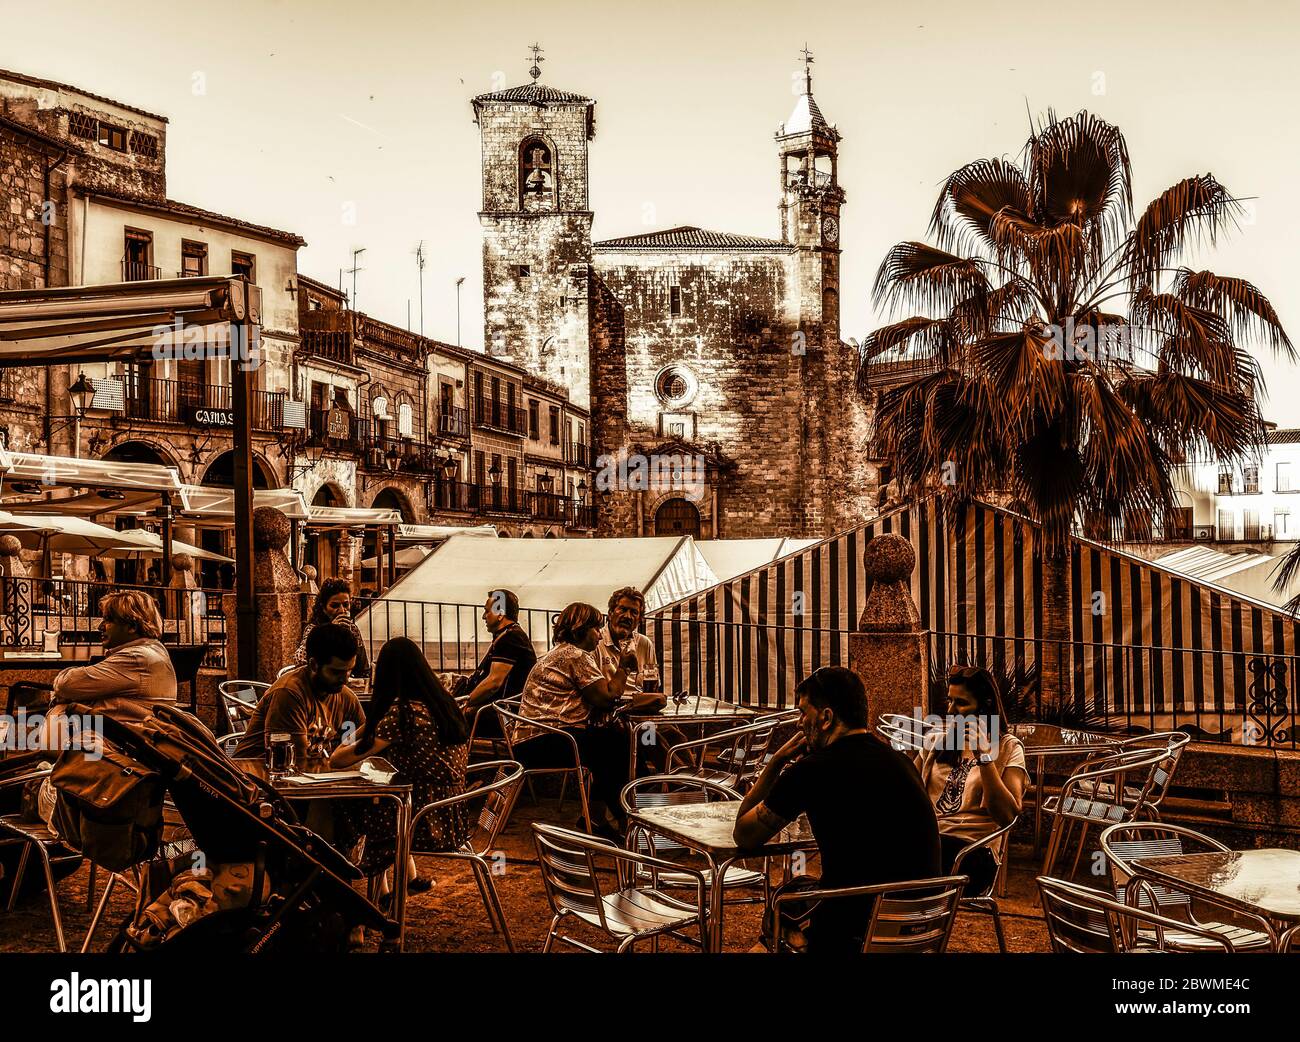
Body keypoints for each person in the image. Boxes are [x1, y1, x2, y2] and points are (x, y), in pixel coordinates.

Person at [733, 667, 942, 953]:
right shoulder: (902, 762)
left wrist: (777, 762)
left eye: (803, 712)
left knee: (782, 905)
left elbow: (744, 835)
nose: (798, 723)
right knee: (798, 891)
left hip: (855, 931)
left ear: (826, 718)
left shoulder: (811, 770)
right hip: (921, 927)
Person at [331, 637, 470, 888]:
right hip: (454, 812)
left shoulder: (401, 715)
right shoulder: (443, 704)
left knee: (352, 807)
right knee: (379, 804)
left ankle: (347, 878)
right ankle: (395, 886)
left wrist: (358, 730)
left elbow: (339, 759)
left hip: (424, 819)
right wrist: (374, 721)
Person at [512, 602, 635, 839]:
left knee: (612, 741)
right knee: (615, 744)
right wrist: (624, 668)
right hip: (542, 742)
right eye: (596, 629)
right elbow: (607, 697)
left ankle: (600, 818)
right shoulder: (576, 656)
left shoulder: (562, 652)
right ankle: (625, 819)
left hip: (531, 739)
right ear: (581, 628)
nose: (600, 636)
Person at [914, 666, 1027, 895]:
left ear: (984, 706)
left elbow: (1006, 816)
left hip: (973, 852)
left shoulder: (1007, 747)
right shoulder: (937, 742)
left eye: (961, 703)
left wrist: (984, 756)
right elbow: (907, 794)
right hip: (928, 843)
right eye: (949, 701)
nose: (951, 710)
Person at [235, 623, 366, 773]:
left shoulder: (346, 697)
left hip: (304, 780)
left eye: (349, 671)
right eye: (336, 672)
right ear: (314, 665)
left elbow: (364, 743)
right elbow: (296, 762)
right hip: (254, 780)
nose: (345, 680)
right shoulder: (288, 694)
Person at [51, 590, 177, 715]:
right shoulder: (154, 649)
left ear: (132, 626)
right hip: (119, 728)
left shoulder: (135, 658)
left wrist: (63, 690)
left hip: (119, 732)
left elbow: (66, 685)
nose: (100, 627)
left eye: (108, 620)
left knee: (59, 712)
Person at [459, 590, 537, 737]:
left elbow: (493, 683)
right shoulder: (507, 636)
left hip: (503, 714)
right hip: (500, 709)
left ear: (500, 614)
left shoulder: (511, 638)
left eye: (487, 611)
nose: (483, 617)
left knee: (448, 720)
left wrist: (465, 704)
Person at [295, 578, 371, 679]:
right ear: (323, 607)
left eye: (346, 604)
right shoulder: (314, 629)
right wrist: (329, 632)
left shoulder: (352, 629)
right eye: (334, 606)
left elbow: (363, 667)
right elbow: (300, 659)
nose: (341, 610)